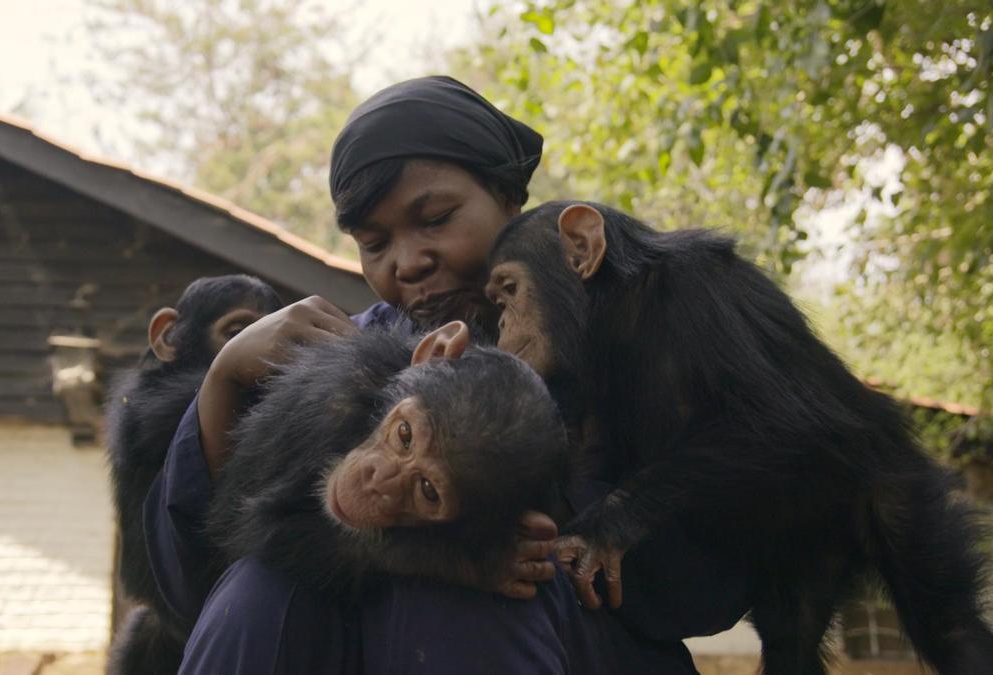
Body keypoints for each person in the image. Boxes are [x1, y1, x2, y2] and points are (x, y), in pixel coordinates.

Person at [143, 76, 750, 673]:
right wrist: (222, 382)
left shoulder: (617, 343)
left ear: (510, 199)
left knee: (467, 595)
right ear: (431, 355)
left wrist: (539, 540)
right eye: (374, 242)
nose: (408, 263)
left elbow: (704, 593)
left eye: (435, 218)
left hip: (572, 650)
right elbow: (188, 588)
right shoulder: (345, 355)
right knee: (260, 593)